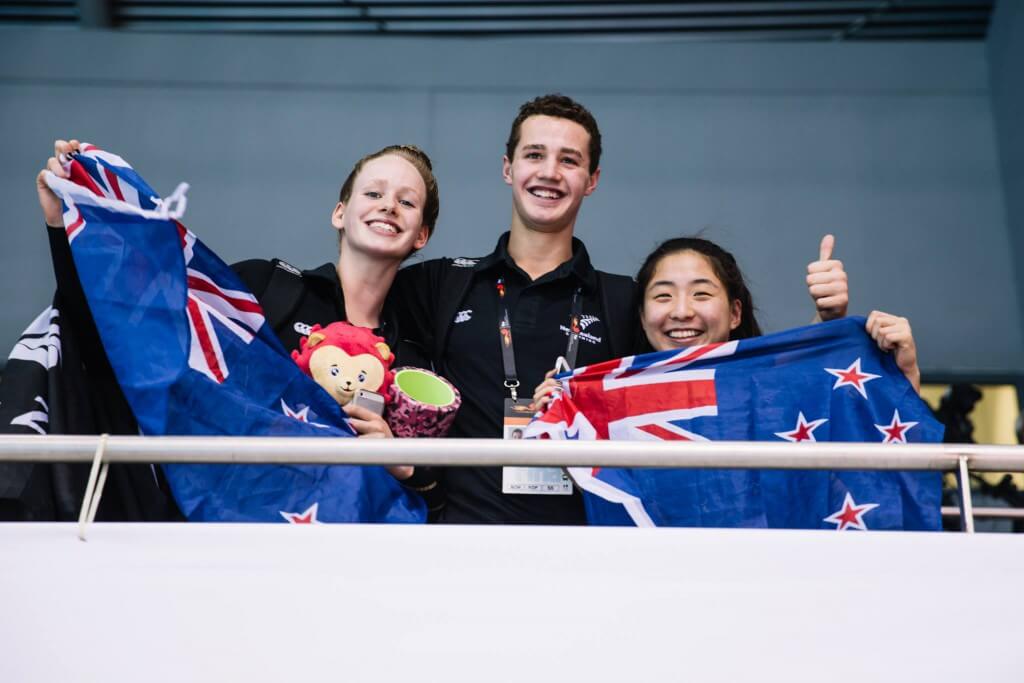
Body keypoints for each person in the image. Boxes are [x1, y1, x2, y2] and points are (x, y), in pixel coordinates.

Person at [396, 94, 852, 525]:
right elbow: (354, 311)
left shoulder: (627, 300)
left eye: (569, 160)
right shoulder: (443, 282)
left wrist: (824, 324)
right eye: (534, 155)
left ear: (592, 179)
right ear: (508, 168)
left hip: (599, 551)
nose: (550, 172)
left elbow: (733, 388)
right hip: (465, 542)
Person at [32, 139, 445, 514]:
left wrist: (405, 466)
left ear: (421, 235)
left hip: (344, 559)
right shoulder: (266, 287)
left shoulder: (413, 358)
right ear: (340, 213)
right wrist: (60, 226)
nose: (388, 205)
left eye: (406, 202)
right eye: (373, 193)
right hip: (224, 535)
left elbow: (441, 499)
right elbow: (125, 330)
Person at [533, 236, 919, 415]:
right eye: (664, 296)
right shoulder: (611, 400)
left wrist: (902, 370)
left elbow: (877, 436)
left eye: (701, 294)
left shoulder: (770, 390)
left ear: (735, 313)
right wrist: (556, 414)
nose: (682, 311)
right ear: (641, 315)